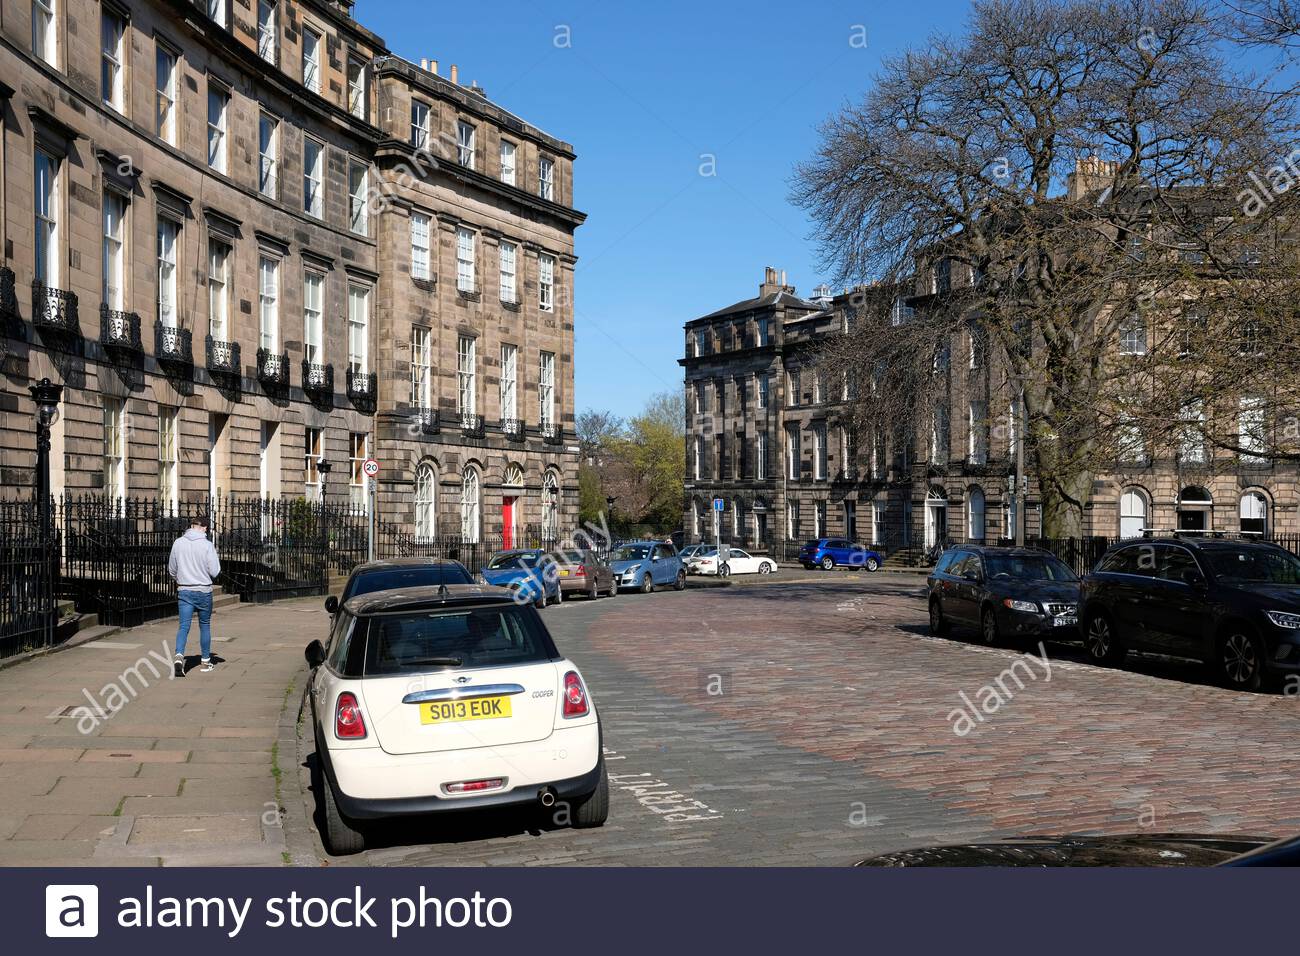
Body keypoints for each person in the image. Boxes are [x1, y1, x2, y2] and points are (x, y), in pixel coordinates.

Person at [167, 514, 221, 676]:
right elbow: (215, 571)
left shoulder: (178, 543)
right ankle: (205, 661)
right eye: (207, 528)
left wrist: (181, 578)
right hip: (203, 590)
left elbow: (172, 569)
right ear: (204, 528)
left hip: (184, 589)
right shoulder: (207, 545)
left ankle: (178, 656)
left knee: (183, 626)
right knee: (204, 625)